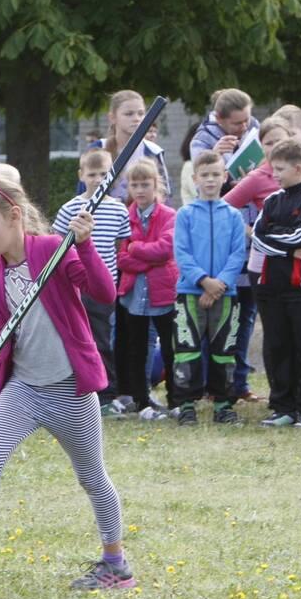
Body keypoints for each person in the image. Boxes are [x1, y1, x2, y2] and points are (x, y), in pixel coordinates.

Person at [0, 174, 134, 599]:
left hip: (71, 389)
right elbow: (0, 330)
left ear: (13, 216)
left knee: (92, 477)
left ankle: (115, 564)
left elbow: (104, 293)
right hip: (24, 389)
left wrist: (85, 244)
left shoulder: (52, 250)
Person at [224, 117, 301, 405]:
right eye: (268, 144)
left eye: (279, 144)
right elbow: (259, 233)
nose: (274, 165)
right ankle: (281, 401)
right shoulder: (266, 189)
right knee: (276, 338)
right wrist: (276, 241)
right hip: (267, 272)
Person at [251, 140, 301, 428]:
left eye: (280, 169)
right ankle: (282, 405)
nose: (275, 175)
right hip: (271, 285)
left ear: (298, 168)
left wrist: (279, 238)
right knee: (277, 345)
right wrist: (287, 250)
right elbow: (258, 237)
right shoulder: (271, 201)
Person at [52, 149, 131, 416]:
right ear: (81, 175)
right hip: (75, 287)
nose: (98, 179)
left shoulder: (119, 210)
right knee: (75, 339)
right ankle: (74, 390)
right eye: (92, 174)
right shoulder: (70, 209)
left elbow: (121, 246)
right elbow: (57, 247)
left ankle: (106, 394)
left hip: (104, 289)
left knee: (102, 340)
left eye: (103, 174)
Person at [171, 151, 246, 426]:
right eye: (205, 175)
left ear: (225, 177)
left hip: (225, 297)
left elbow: (238, 254)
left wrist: (218, 287)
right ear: (195, 179)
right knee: (186, 350)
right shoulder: (185, 215)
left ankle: (224, 405)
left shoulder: (234, 216)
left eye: (216, 174)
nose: (211, 180)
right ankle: (186, 406)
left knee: (223, 353)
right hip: (190, 294)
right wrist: (204, 281)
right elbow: (182, 253)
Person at [114, 160, 178, 419]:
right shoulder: (124, 216)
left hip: (163, 291)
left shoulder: (168, 215)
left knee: (171, 347)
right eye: (135, 184)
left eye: (145, 184)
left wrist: (136, 248)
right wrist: (144, 255)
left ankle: (177, 398)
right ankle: (142, 401)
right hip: (133, 293)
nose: (140, 190)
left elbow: (165, 250)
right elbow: (121, 258)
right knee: (136, 347)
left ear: (156, 185)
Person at [78, 90, 170, 201]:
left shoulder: (153, 151)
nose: (136, 118)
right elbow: (83, 192)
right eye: (129, 114)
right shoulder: (98, 148)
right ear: (112, 117)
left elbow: (164, 196)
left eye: (141, 113)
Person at [187, 89, 260, 174]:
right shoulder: (201, 141)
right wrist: (213, 156)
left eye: (247, 120)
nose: (244, 127)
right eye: (237, 123)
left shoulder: (254, 125)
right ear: (219, 119)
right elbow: (200, 183)